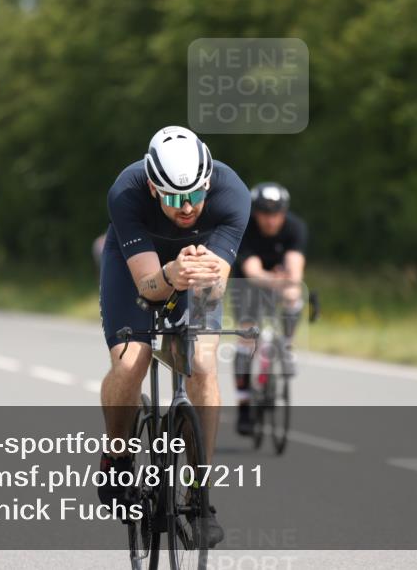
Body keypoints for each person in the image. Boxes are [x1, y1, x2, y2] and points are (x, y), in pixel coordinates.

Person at [98, 126, 249, 546]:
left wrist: (202, 275)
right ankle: (118, 456)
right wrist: (170, 274)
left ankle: (199, 496)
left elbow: (216, 288)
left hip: (196, 271)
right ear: (151, 186)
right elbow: (147, 286)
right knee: (131, 363)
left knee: (201, 364)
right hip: (140, 268)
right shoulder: (126, 192)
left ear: (208, 184)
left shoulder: (232, 192)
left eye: (195, 196)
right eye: (172, 198)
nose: (186, 208)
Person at [231, 182, 307, 436]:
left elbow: (295, 267)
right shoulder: (245, 230)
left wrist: (288, 283)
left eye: (277, 213)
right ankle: (243, 405)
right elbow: (252, 271)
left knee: (293, 293)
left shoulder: (295, 228)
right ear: (256, 213)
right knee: (245, 340)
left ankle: (286, 344)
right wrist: (273, 279)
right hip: (248, 284)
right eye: (265, 213)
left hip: (279, 280)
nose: (271, 219)